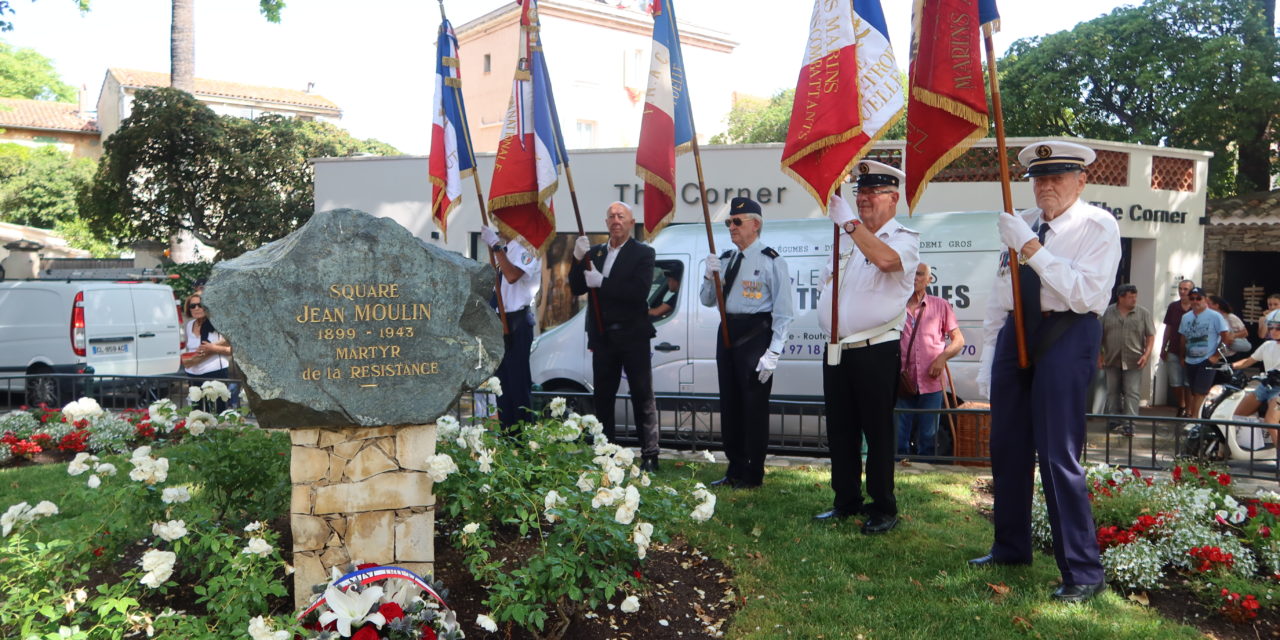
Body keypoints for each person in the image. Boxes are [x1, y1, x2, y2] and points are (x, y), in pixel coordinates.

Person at [972, 140, 1121, 603]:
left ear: (1082, 180)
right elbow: (1002, 296)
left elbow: (1086, 295)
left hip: (1067, 335)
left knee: (1059, 455)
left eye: (1057, 176)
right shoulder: (1025, 226)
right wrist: (985, 362)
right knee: (1006, 447)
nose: (1047, 185)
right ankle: (1010, 546)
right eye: (1039, 178)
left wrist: (1031, 247)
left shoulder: (1097, 225)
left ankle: (1082, 570)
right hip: (1017, 334)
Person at [814, 160, 919, 535]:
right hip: (837, 349)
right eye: (860, 192)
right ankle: (845, 500)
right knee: (840, 429)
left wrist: (850, 224)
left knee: (877, 432)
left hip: (875, 348)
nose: (863, 199)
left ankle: (883, 506)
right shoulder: (847, 239)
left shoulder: (904, 238)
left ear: (893, 198)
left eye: (873, 193)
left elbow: (887, 262)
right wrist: (849, 229)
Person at [700, 196, 796, 489]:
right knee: (729, 404)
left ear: (755, 225)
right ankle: (735, 467)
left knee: (753, 406)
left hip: (756, 335)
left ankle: (754, 472)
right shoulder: (726, 259)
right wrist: (708, 275)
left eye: (737, 222)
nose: (731, 227)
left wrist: (774, 352)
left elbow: (784, 313)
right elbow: (706, 300)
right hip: (727, 332)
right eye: (729, 222)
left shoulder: (771, 260)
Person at [569, 202, 661, 471]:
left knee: (642, 396)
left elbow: (638, 291)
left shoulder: (643, 253)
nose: (616, 221)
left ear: (631, 223)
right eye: (611, 217)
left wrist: (604, 283)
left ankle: (650, 454)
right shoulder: (595, 253)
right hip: (603, 336)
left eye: (621, 217)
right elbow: (576, 286)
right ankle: (606, 451)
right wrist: (577, 259)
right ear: (606, 222)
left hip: (633, 336)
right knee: (604, 397)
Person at [896, 261, 963, 458]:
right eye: (911, 274)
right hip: (902, 381)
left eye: (919, 274)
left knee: (929, 436)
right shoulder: (895, 306)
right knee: (899, 437)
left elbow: (958, 340)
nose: (914, 277)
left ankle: (926, 471)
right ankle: (900, 472)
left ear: (929, 279)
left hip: (931, 382)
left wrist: (942, 358)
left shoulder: (940, 306)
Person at [480, 224, 542, 432]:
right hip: (500, 320)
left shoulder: (528, 248)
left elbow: (512, 275)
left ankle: (523, 439)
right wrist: (498, 249)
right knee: (502, 385)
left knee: (517, 384)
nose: (498, 226)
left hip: (517, 321)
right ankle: (507, 435)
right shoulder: (508, 249)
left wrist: (496, 247)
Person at [1099, 284, 1155, 436]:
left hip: (1134, 359)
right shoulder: (1107, 312)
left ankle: (1129, 424)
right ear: (1120, 297)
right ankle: (1114, 420)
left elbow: (1150, 335)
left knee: (1132, 392)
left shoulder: (1143, 313)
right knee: (1112, 391)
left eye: (1135, 296)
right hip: (1112, 358)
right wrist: (1100, 355)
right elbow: (1099, 335)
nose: (1134, 300)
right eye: (1130, 297)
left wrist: (1146, 354)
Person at [1179, 287, 1232, 419]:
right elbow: (1182, 338)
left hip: (1207, 359)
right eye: (1192, 298)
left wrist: (1216, 356)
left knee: (1200, 391)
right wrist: (1182, 356)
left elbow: (1226, 337)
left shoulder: (1215, 316)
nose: (1195, 301)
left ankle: (1195, 419)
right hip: (1190, 359)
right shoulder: (1186, 317)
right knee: (1193, 390)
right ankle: (1196, 417)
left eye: (1198, 298)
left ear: (1205, 300)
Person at [1232, 309, 1280, 446]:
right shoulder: (1267, 345)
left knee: (1270, 421)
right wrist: (1231, 365)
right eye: (1271, 327)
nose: (1274, 330)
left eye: (1278, 327)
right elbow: (1249, 361)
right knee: (1237, 415)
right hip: (1265, 386)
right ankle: (1227, 449)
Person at [182, 293, 232, 413]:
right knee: (197, 411)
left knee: (218, 411)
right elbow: (189, 348)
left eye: (200, 305)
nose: (197, 308)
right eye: (192, 306)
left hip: (215, 373)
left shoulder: (219, 324)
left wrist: (213, 348)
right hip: (193, 374)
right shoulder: (189, 325)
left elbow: (234, 349)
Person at [1160, 279, 1195, 417]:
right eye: (1180, 288)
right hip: (1174, 348)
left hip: (1192, 351)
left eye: (1185, 289)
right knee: (1175, 382)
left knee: (1188, 383)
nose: (1182, 291)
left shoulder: (1196, 307)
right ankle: (1182, 405)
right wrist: (1163, 347)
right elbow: (1168, 327)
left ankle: (1189, 410)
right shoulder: (1173, 307)